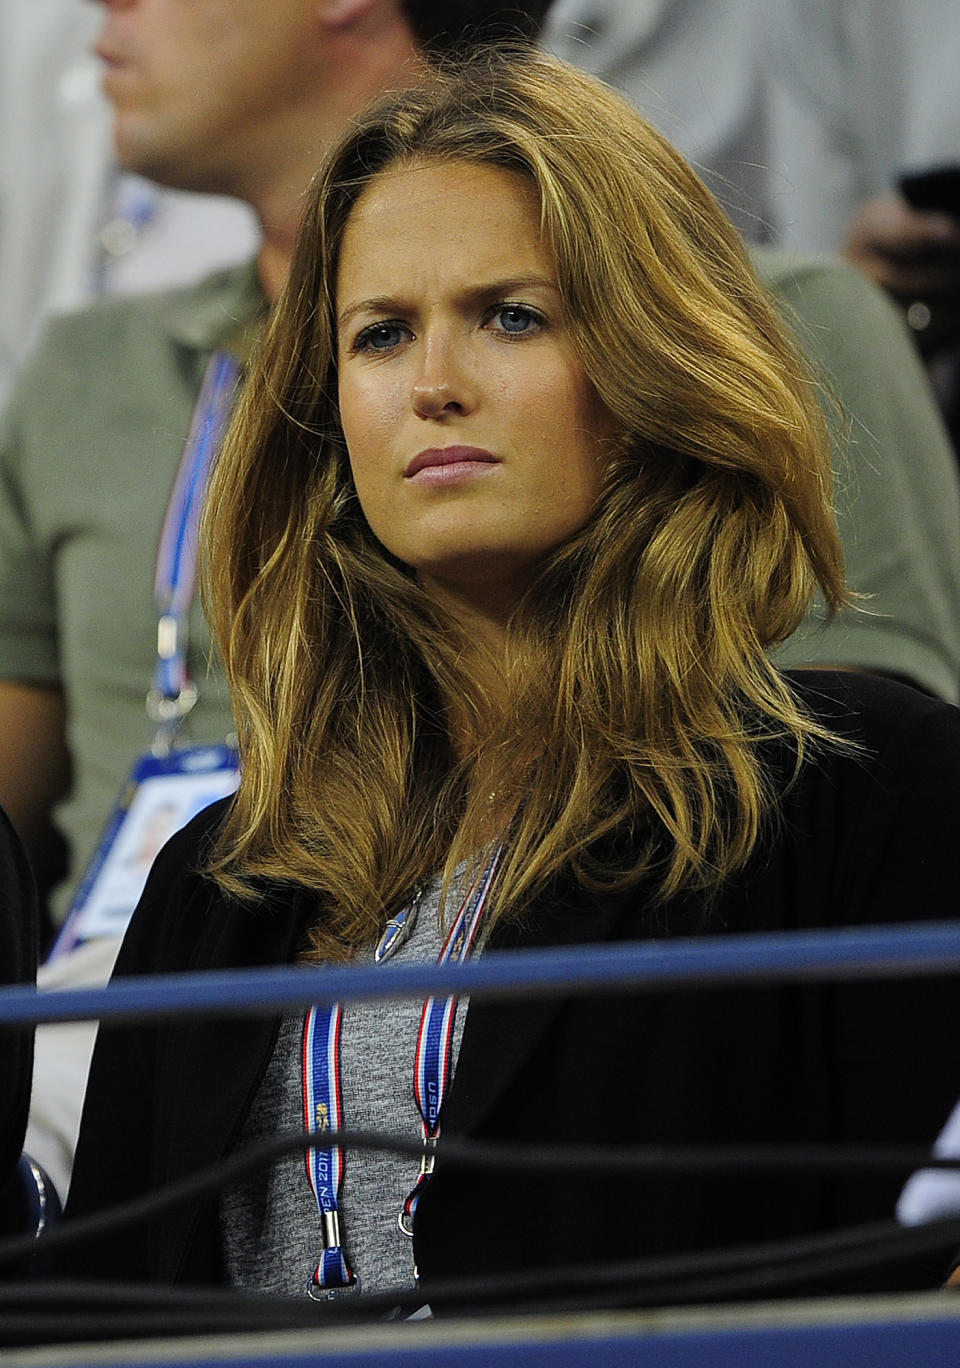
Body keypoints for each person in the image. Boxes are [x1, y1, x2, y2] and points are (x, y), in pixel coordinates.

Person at [63, 50, 960, 1302]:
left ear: (653, 365)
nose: (434, 385)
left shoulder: (864, 789)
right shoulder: (217, 885)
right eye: (381, 335)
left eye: (512, 316)